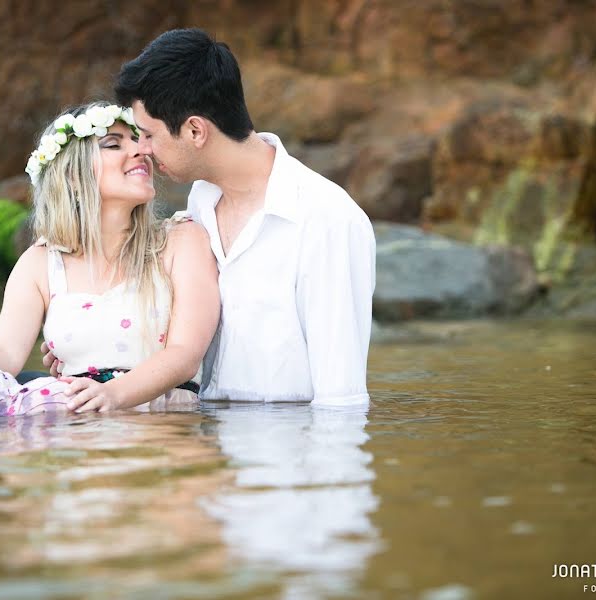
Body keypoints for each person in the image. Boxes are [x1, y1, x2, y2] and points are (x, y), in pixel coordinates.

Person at [42, 30, 376, 406]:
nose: (144, 151)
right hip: (207, 444)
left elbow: (341, 398)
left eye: (149, 135)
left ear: (195, 130)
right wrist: (87, 342)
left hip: (284, 448)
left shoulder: (326, 219)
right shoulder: (199, 206)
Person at [0, 101, 220, 415]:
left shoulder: (181, 241)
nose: (140, 150)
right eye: (114, 145)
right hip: (76, 431)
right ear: (73, 177)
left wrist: (113, 394)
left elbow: (185, 354)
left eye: (137, 140)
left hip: (163, 431)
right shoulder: (39, 264)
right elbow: (5, 354)